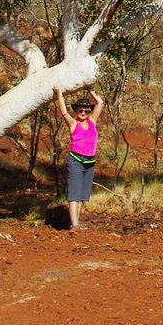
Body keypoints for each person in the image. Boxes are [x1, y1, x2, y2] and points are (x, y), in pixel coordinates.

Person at [55, 87, 104, 231]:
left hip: (90, 162)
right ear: (76, 112)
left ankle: (77, 222)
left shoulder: (92, 122)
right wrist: (59, 93)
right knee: (74, 194)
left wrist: (91, 90)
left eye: (86, 111)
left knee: (83, 194)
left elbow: (100, 103)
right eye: (80, 111)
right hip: (76, 160)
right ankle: (74, 225)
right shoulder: (73, 124)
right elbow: (64, 112)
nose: (83, 113)